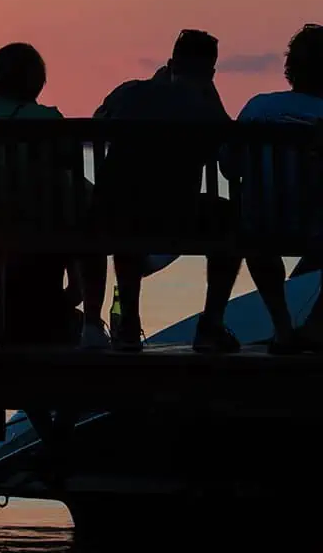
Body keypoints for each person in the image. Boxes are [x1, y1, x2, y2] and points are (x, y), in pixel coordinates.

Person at [81, 29, 242, 353]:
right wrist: (211, 99)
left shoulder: (128, 93)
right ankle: (211, 325)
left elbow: (98, 125)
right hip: (177, 217)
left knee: (125, 209)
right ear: (210, 73)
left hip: (113, 214)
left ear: (170, 63)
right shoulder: (204, 109)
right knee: (231, 218)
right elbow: (232, 158)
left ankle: (126, 322)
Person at [0, 42, 83, 347]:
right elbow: (68, 162)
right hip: (47, 220)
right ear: (37, 82)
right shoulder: (51, 119)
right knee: (75, 210)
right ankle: (79, 306)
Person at [230, 24, 323, 353]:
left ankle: (283, 327)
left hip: (260, 223)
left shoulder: (258, 108)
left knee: (257, 239)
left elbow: (230, 166)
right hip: (314, 226)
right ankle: (315, 326)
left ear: (290, 69)